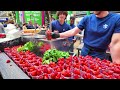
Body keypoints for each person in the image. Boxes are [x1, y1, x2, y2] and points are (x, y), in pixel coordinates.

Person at [47, 11, 120, 64]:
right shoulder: (87, 18)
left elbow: (115, 44)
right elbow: (73, 31)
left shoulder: (115, 19)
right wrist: (57, 35)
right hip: (85, 52)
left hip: (99, 55)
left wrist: (116, 64)